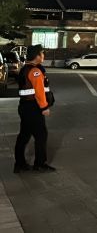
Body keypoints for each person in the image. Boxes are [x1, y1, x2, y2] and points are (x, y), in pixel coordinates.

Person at [14, 44, 56, 173]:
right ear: (36, 56)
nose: (43, 55)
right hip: (33, 108)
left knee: (24, 135)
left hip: (25, 107)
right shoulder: (35, 71)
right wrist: (44, 107)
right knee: (41, 135)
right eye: (42, 53)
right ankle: (40, 164)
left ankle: (20, 164)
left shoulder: (26, 68)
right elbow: (39, 92)